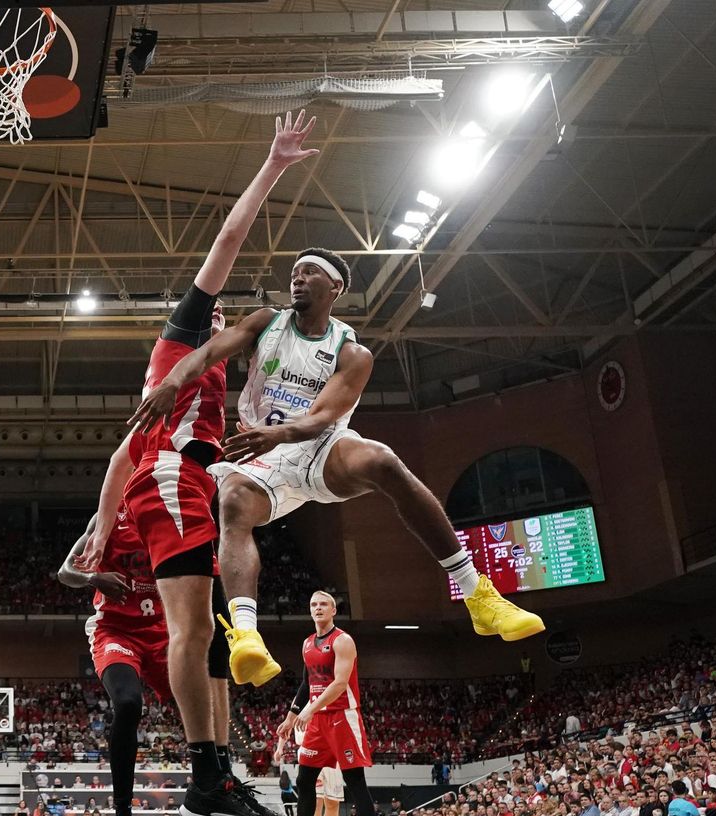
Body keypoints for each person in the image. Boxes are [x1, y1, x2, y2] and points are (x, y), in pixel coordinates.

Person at [128, 246, 547, 680]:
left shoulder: (352, 353)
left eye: (310, 272)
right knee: (232, 501)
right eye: (294, 272)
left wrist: (279, 433)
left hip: (319, 448)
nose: (298, 278)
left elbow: (323, 417)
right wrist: (173, 382)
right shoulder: (266, 321)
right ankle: (248, 638)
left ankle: (477, 594)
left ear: (335, 287)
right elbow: (208, 352)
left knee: (383, 461)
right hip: (261, 454)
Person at [79, 112, 321, 816]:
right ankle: (203, 775)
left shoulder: (220, 385)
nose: (220, 313)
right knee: (193, 629)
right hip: (169, 481)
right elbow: (227, 241)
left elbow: (126, 452)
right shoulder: (181, 342)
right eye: (212, 310)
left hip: (186, 484)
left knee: (213, 637)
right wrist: (274, 166)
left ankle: (216, 773)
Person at [58, 514, 260, 816]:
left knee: (202, 716)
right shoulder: (106, 519)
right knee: (128, 704)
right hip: (116, 631)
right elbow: (65, 572)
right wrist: (93, 578)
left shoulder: (173, 519)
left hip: (166, 635)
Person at [267, 592, 382, 816]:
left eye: (323, 605)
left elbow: (340, 683)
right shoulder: (307, 643)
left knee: (356, 784)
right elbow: (307, 683)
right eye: (313, 605)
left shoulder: (342, 641)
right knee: (305, 781)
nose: (318, 608)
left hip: (342, 716)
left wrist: (309, 710)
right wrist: (291, 716)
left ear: (333, 610)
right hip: (318, 720)